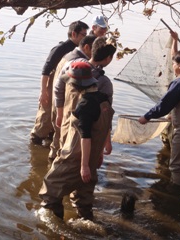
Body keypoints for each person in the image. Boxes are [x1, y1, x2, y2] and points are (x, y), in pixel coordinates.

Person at [39, 61, 114, 220]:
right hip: (92, 158)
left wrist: (84, 166)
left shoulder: (85, 105)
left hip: (76, 159)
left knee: (49, 191)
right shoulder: (103, 99)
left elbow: (85, 136)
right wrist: (100, 152)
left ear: (77, 85)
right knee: (83, 199)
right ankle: (88, 227)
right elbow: (105, 127)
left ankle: (57, 227)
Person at [138, 50, 180, 195]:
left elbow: (164, 105)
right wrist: (174, 114)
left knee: (177, 167)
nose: (173, 66)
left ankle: (175, 197)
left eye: (174, 63)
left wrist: (147, 117)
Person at [52, 36, 117, 161]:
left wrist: (59, 114)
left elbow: (58, 89)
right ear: (108, 58)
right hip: (87, 133)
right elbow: (106, 116)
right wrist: (105, 142)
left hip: (67, 122)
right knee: (78, 164)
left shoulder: (72, 66)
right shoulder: (104, 82)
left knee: (61, 155)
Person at [30, 21, 89, 145]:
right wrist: (43, 92)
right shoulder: (60, 49)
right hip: (51, 85)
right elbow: (45, 71)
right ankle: (35, 142)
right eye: (83, 34)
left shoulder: (80, 51)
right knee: (45, 116)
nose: (86, 37)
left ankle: (50, 140)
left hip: (63, 86)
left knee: (56, 116)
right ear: (74, 34)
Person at [48, 35, 97, 160]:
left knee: (59, 138)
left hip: (61, 106)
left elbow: (58, 88)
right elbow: (59, 88)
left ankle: (53, 157)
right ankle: (56, 164)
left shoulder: (69, 56)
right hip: (65, 108)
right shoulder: (76, 62)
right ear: (87, 47)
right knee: (64, 141)